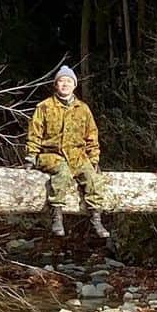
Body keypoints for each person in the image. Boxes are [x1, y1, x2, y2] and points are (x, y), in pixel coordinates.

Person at [24, 65, 109, 238]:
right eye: (61, 81)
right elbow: (35, 132)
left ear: (74, 85)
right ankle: (56, 217)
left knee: (93, 179)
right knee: (62, 172)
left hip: (77, 156)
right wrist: (31, 156)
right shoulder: (44, 107)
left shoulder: (83, 109)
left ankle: (96, 219)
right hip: (51, 155)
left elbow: (91, 135)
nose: (65, 84)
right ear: (56, 85)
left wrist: (94, 160)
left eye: (68, 81)